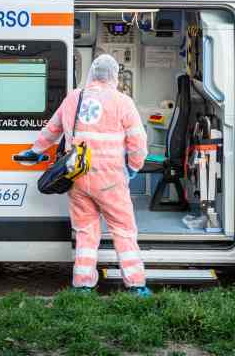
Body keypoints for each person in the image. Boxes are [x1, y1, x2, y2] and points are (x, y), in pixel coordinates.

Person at [17, 54, 151, 296]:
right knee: (123, 230)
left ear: (92, 73)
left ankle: (82, 285)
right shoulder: (123, 102)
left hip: (77, 175)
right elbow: (138, 143)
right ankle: (136, 284)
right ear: (114, 76)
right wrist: (133, 167)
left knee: (85, 232)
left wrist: (35, 151)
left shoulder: (73, 98)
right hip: (110, 179)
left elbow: (51, 130)